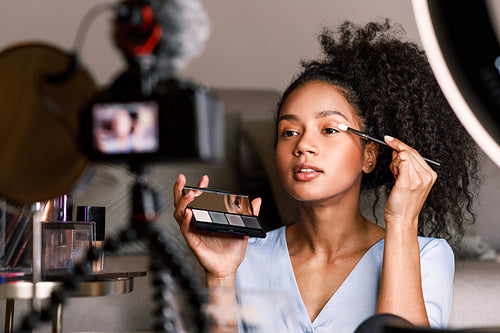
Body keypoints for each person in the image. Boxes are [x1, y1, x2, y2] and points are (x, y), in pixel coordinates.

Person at [173, 19, 479, 332]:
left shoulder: (427, 255)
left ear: (369, 156)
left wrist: (402, 223)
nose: (303, 145)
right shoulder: (243, 257)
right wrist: (221, 277)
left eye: (329, 129)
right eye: (289, 132)